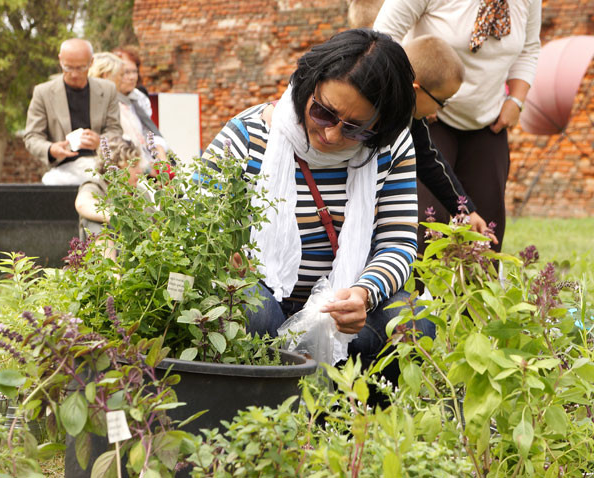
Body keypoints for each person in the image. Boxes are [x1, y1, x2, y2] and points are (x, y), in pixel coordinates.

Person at [204, 29, 434, 372]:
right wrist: (223, 260)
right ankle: (267, 408)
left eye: (357, 129)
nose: (331, 134)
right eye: (324, 113)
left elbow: (397, 243)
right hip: (266, 307)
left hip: (345, 317)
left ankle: (367, 413)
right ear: (307, 84)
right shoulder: (248, 135)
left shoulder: (392, 146)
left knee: (412, 319)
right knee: (247, 309)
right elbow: (193, 226)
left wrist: (363, 294)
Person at [374, 0, 542, 252]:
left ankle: (479, 291)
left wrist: (516, 100)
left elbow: (529, 49)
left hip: (489, 121)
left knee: (485, 230)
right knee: (426, 224)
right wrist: (414, 95)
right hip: (430, 118)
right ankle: (415, 291)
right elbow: (382, 38)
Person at [403, 34, 496, 251]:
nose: (439, 110)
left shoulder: (414, 118)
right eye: (441, 102)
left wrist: (466, 210)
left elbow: (431, 163)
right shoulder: (373, 111)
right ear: (416, 89)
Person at [24, 39, 123, 185]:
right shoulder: (43, 92)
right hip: (62, 168)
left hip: (101, 166)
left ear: (91, 62)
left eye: (81, 68)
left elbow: (115, 131)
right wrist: (51, 149)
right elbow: (32, 137)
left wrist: (100, 142)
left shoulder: (108, 90)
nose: (74, 74)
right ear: (60, 60)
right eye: (68, 67)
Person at [89, 52, 168, 167]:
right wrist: (147, 169)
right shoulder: (104, 105)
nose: (126, 79)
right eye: (121, 75)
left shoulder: (130, 101)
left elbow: (144, 136)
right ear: (106, 76)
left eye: (134, 71)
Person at [112, 48, 153, 118]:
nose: (132, 77)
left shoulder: (141, 98)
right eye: (126, 72)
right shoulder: (109, 101)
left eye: (135, 71)